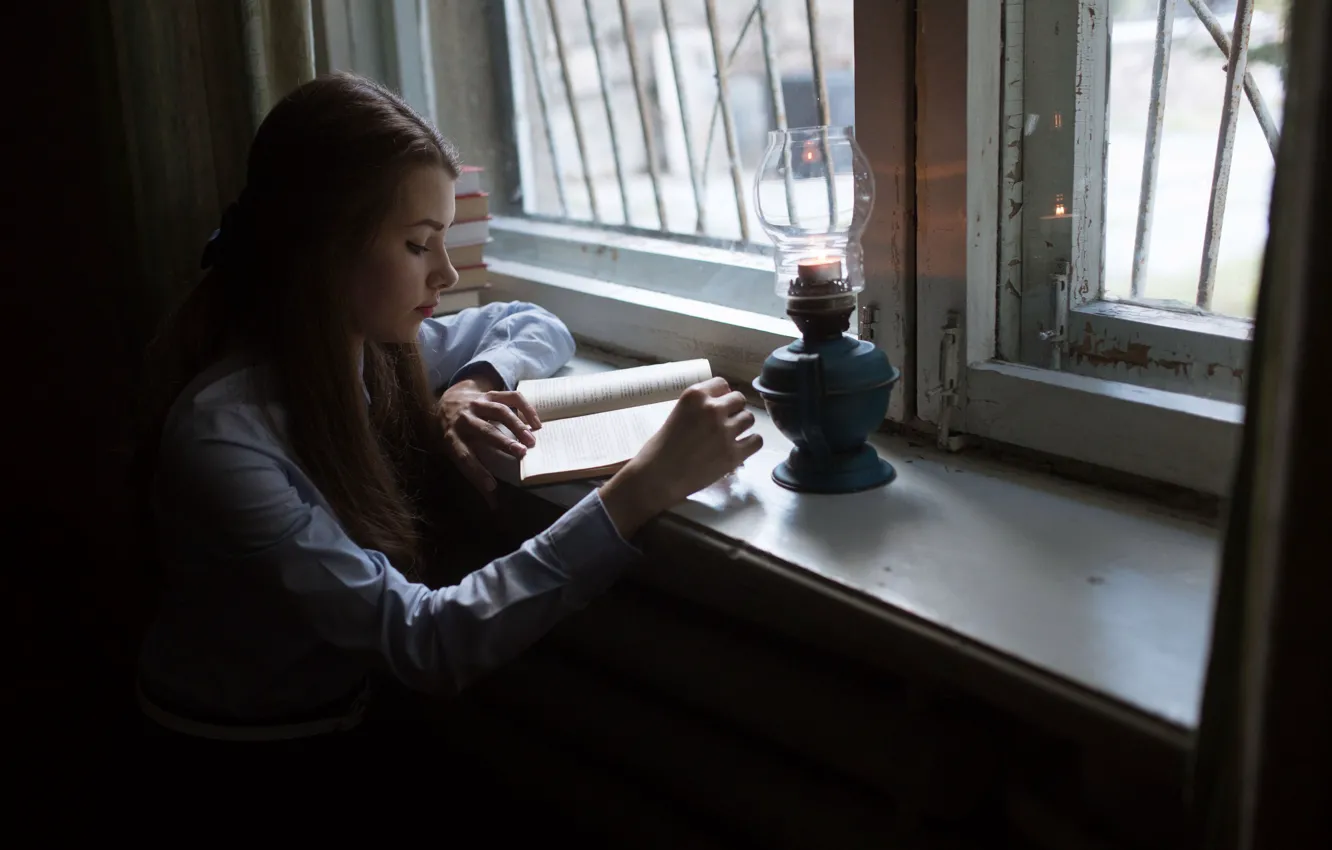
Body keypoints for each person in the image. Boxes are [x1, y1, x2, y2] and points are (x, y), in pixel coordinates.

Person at [134, 72, 762, 745]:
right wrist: (641, 490)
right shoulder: (223, 439)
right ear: (322, 247)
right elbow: (426, 642)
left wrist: (468, 385)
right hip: (233, 743)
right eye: (416, 244)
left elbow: (533, 323)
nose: (447, 273)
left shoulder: (374, 350)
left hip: (349, 707)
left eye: (444, 239)